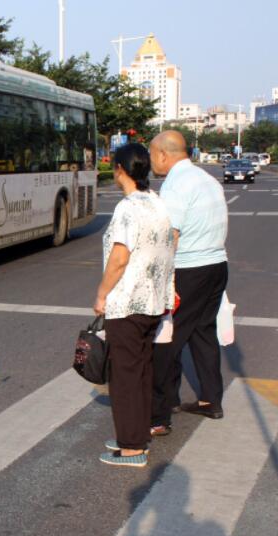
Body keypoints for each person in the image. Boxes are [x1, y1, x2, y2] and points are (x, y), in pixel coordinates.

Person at [95, 143, 176, 468]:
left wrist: (102, 294)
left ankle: (131, 448)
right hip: (153, 301)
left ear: (119, 170)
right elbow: (172, 243)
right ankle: (137, 435)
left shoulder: (127, 208)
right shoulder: (157, 202)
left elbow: (119, 258)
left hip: (127, 302)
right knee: (141, 371)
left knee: (125, 377)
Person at [148, 131, 229, 433]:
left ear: (163, 154)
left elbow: (171, 235)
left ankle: (161, 412)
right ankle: (211, 400)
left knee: (167, 338)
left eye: (152, 154)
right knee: (203, 333)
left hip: (188, 270)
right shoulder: (207, 180)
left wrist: (158, 277)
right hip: (216, 266)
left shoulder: (175, 185)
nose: (151, 161)